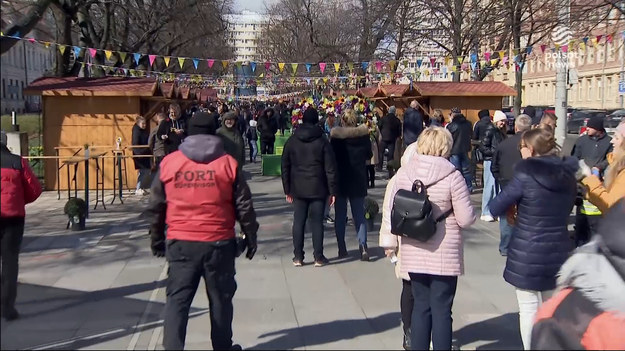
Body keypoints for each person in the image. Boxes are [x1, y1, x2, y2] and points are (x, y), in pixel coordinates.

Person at [145, 112, 259, 351]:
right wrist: (250, 236)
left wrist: (156, 239)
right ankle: (222, 347)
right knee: (220, 301)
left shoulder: (171, 162)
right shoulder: (227, 163)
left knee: (177, 301)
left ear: (188, 132)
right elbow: (244, 205)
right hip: (219, 242)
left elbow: (156, 205)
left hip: (181, 242)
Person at [382, 127, 476, 351]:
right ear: (445, 147)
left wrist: (390, 243)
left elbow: (392, 211)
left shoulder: (404, 174)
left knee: (421, 306)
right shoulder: (453, 175)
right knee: (442, 309)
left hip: (414, 247)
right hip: (444, 250)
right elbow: (465, 219)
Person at [488, 128, 578, 350]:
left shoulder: (525, 175)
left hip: (527, 251)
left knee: (528, 308)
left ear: (530, 149)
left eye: (522, 148)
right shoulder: (567, 174)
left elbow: (496, 205)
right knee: (553, 308)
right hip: (559, 249)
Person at [531, 199, 625, 350]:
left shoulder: (566, 317)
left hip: (534, 249)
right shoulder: (572, 321)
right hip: (561, 245)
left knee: (528, 302)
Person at [281, 108, 337, 267]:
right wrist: (332, 191)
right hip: (318, 186)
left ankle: (298, 256)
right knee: (317, 222)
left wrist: (287, 189)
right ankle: (318, 256)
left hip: (298, 187)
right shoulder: (322, 141)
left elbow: (285, 165)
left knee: (298, 221)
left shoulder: (292, 140)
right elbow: (330, 168)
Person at [379, 142, 419, 350]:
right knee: (411, 288)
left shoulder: (400, 178)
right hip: (408, 240)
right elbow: (388, 212)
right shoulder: (399, 179)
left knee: (413, 288)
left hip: (417, 241)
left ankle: (415, 331)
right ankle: (410, 330)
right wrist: (389, 242)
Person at [1, 131, 43, 321]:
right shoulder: (17, 162)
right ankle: (8, 307)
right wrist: (19, 201)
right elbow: (34, 189)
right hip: (13, 218)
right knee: (10, 262)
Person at [330, 109, 373, 261]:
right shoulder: (363, 136)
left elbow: (331, 158)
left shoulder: (336, 138)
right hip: (358, 177)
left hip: (341, 179)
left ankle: (342, 247)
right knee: (359, 215)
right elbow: (369, 155)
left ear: (343, 120)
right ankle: (363, 245)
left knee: (340, 215)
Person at [491, 114, 532, 256]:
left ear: (515, 127)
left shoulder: (503, 144)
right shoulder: (534, 146)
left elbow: (494, 166)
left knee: (507, 215)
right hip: (529, 185)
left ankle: (505, 247)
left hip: (507, 183)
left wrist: (500, 179)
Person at [571, 115, 613, 246]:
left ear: (598, 129)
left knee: (595, 215)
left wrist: (599, 167)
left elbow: (611, 158)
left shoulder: (609, 142)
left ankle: (594, 241)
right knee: (581, 213)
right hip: (582, 181)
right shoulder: (581, 141)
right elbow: (574, 157)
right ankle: (579, 241)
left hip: (599, 182)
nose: (587, 129)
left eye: (590, 127)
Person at [578, 121, 625, 213]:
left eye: (617, 138)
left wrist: (590, 179)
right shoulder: (616, 164)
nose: (612, 141)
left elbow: (611, 206)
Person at [478, 110, 508, 222]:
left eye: (504, 121)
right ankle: (485, 211)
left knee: (498, 187)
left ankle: (495, 210)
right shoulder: (491, 130)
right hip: (490, 160)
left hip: (498, 161)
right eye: (501, 121)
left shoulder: (501, 132)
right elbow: (483, 146)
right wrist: (494, 153)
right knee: (489, 186)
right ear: (496, 121)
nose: (503, 123)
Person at [446, 109, 474, 191]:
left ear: (452, 115)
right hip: (465, 149)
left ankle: (458, 188)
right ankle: (469, 187)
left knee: (456, 171)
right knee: (466, 171)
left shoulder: (451, 125)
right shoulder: (468, 124)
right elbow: (471, 135)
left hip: (454, 150)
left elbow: (448, 139)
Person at [377, 106, 402, 174]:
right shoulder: (397, 120)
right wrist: (396, 136)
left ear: (389, 111)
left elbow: (379, 126)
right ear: (394, 112)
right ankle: (390, 170)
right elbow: (399, 131)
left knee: (381, 152)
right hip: (392, 139)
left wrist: (380, 134)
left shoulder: (384, 118)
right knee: (390, 155)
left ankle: (380, 166)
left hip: (383, 137)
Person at [132, 116, 151, 195]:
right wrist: (139, 153)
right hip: (140, 154)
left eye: (145, 123)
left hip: (144, 153)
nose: (144, 125)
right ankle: (138, 188)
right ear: (138, 123)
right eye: (142, 123)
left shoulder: (142, 130)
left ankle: (141, 187)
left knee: (145, 171)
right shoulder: (136, 131)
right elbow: (135, 143)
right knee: (142, 171)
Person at [366, 119, 380, 188]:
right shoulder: (374, 127)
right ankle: (371, 182)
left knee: (368, 166)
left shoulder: (364, 127)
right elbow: (379, 137)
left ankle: (368, 183)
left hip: (368, 146)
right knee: (370, 167)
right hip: (372, 146)